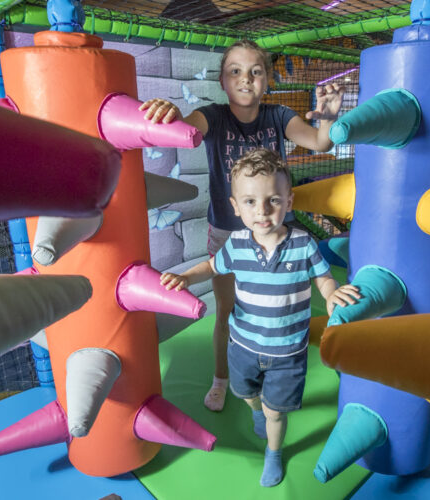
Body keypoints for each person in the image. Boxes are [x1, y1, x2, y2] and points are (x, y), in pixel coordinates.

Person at [140, 39, 345, 413]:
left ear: (267, 81)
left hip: (277, 234)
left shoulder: (279, 116)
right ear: (222, 80)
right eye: (235, 71)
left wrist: (329, 117)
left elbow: (318, 141)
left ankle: (277, 368)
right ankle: (221, 378)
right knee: (227, 309)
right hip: (229, 235)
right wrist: (168, 113)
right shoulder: (213, 116)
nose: (246, 79)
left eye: (256, 71)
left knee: (279, 308)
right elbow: (181, 132)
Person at [159, 148, 360, 487]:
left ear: (289, 201)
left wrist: (330, 293)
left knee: (276, 412)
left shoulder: (303, 244)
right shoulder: (236, 244)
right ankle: (254, 410)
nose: (263, 211)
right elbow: (212, 266)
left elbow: (323, 277)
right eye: (250, 202)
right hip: (243, 345)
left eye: (273, 200)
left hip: (287, 353)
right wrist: (186, 278)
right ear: (236, 207)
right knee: (246, 393)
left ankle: (274, 451)